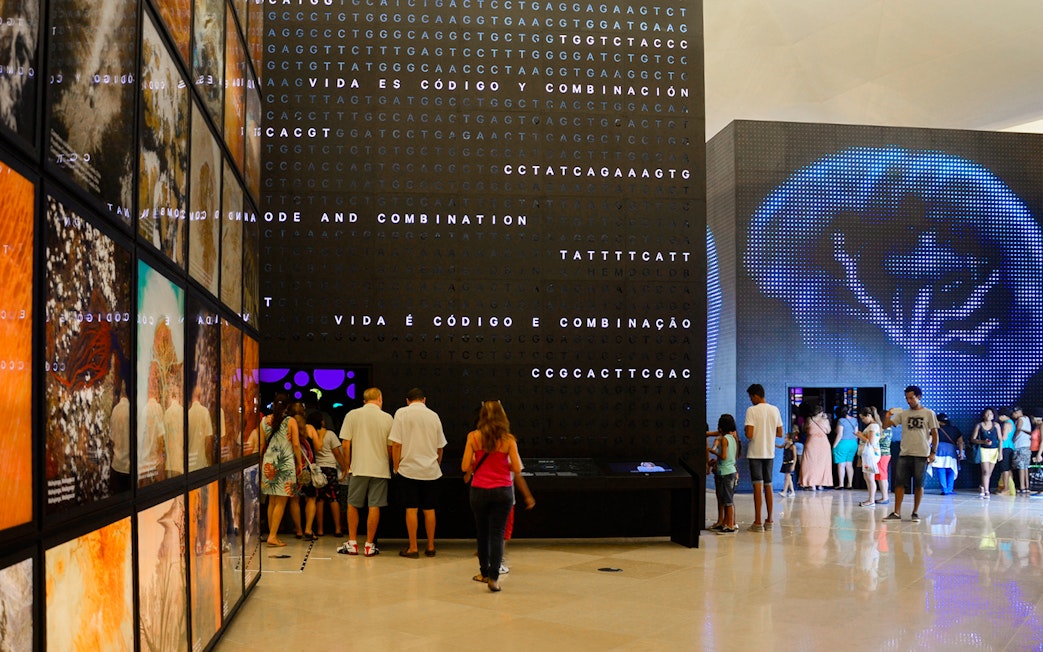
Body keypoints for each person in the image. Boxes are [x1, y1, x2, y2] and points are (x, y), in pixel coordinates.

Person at [462, 400, 535, 592]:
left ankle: (483, 572)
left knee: (482, 533)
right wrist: (502, 465)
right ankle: (494, 578)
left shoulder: (473, 437)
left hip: (479, 491)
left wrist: (475, 462)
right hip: (503, 491)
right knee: (497, 534)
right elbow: (517, 468)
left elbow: (464, 466)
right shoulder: (509, 440)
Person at [389, 388, 447, 558]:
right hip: (430, 470)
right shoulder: (434, 415)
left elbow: (397, 443)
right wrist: (436, 464)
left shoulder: (401, 413)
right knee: (429, 509)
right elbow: (440, 446)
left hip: (408, 469)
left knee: (411, 509)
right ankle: (430, 546)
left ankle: (413, 547)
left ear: (407, 400)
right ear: (424, 400)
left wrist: (396, 466)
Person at [338, 387, 394, 557]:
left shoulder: (352, 415)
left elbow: (346, 444)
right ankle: (369, 545)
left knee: (353, 504)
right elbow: (390, 446)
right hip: (380, 468)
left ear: (364, 400)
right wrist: (390, 464)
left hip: (359, 467)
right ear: (380, 398)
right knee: (374, 505)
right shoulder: (387, 418)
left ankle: (353, 543)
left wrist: (347, 465)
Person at [882, 386, 939, 523]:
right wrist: (887, 416)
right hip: (905, 453)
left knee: (919, 484)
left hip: (921, 454)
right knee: (899, 483)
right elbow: (885, 426)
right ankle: (896, 512)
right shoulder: (904, 414)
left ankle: (915, 512)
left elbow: (935, 434)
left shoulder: (929, 413)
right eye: (907, 398)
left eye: (911, 398)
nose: (909, 401)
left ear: (919, 397)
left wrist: (933, 452)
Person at [260, 393, 302, 547]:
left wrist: (259, 463)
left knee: (272, 501)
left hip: (268, 463)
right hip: (285, 463)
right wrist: (299, 463)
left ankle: (273, 534)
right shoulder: (291, 421)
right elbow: (296, 445)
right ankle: (272, 536)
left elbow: (261, 445)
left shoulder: (264, 421)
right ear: (287, 406)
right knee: (282, 501)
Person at [744, 384, 783, 532]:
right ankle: (770, 520)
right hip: (769, 453)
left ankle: (758, 522)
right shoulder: (775, 410)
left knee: (757, 487)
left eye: (750, 397)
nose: (750, 400)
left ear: (755, 395)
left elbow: (749, 434)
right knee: (768, 485)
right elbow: (779, 433)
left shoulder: (752, 410)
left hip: (755, 453)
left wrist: (745, 429)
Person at [306, 412, 345, 537]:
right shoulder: (330, 434)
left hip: (317, 469)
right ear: (322, 421)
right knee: (334, 498)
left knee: (320, 499)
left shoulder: (310, 434)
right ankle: (338, 529)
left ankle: (320, 529)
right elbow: (337, 453)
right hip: (330, 468)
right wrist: (345, 467)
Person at [707, 415, 739, 533]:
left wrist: (713, 451)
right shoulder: (732, 438)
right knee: (727, 498)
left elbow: (724, 456)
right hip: (730, 470)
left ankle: (730, 525)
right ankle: (727, 523)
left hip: (726, 472)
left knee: (727, 500)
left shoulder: (724, 439)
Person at [970, 408, 1001, 499]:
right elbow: (973, 439)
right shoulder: (979, 425)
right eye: (987, 414)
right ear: (983, 415)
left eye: (990, 414)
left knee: (989, 472)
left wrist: (1000, 452)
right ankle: (987, 491)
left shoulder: (996, 425)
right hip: (984, 450)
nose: (989, 416)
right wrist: (983, 441)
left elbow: (1000, 439)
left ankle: (982, 486)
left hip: (994, 450)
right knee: (985, 471)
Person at [930, 413, 964, 495]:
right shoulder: (955, 429)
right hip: (951, 451)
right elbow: (960, 442)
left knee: (941, 469)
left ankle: (944, 489)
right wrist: (961, 452)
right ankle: (950, 489)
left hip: (939, 450)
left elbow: (930, 440)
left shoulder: (935, 430)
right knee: (951, 470)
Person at [801, 406, 833, 491]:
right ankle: (821, 485)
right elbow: (828, 431)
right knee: (823, 464)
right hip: (823, 443)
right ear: (821, 412)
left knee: (810, 463)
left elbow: (804, 429)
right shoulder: (825, 420)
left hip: (811, 442)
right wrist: (826, 419)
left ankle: (811, 484)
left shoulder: (809, 419)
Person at [857, 407, 882, 507]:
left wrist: (860, 436)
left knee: (870, 477)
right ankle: (870, 498)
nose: (863, 420)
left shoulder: (873, 427)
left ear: (868, 415)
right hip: (868, 454)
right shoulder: (873, 426)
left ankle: (871, 499)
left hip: (871, 454)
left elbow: (871, 441)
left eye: (863, 418)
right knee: (867, 476)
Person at [832, 406, 859, 490]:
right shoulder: (855, 420)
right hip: (853, 444)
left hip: (843, 443)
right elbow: (856, 433)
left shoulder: (841, 421)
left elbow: (839, 434)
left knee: (841, 464)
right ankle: (850, 484)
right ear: (849, 411)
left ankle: (841, 484)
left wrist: (834, 445)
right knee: (849, 464)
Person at [1012, 406, 1032, 495]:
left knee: (1020, 466)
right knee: (1025, 467)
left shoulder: (1020, 419)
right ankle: (1027, 486)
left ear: (1017, 412)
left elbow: (1018, 430)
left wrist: (1013, 439)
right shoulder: (1027, 418)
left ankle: (1022, 487)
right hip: (1028, 445)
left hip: (1020, 445)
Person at [997, 409, 1016, 496]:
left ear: (1003, 416)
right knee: (1008, 468)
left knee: (1005, 469)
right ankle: (1010, 487)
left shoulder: (1006, 424)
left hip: (1005, 447)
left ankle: (1006, 488)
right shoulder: (1011, 422)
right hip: (1010, 446)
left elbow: (1003, 438)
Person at [876, 421, 893, 505]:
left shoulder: (882, 429)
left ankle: (885, 497)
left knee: (882, 476)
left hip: (881, 453)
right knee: (883, 475)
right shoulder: (889, 429)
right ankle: (884, 496)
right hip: (887, 453)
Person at [777, 432, 796, 497]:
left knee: (787, 477)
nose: (784, 438)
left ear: (790, 439)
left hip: (790, 463)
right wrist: (774, 445)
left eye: (786, 438)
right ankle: (792, 491)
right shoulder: (785, 444)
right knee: (789, 478)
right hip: (785, 463)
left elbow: (795, 456)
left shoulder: (793, 446)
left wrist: (793, 465)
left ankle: (784, 491)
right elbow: (780, 447)